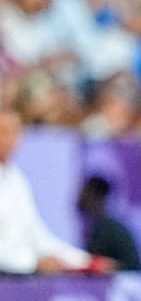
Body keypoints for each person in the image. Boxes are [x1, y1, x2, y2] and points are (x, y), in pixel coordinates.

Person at [0, 108, 115, 275]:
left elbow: (36, 235)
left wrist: (85, 261)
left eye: (15, 132)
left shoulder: (15, 177)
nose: (11, 141)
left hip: (19, 277)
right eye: (3, 132)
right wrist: (30, 263)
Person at [76, 175, 141, 271]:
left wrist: (109, 266)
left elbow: (132, 266)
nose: (79, 198)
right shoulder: (95, 227)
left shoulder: (109, 230)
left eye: (84, 193)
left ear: (96, 196)